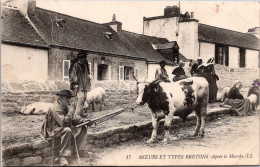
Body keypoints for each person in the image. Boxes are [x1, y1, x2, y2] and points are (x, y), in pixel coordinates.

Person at [40, 90, 88, 166]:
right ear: (61, 98)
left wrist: (84, 121)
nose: (69, 100)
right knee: (67, 130)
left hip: (60, 128)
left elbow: (72, 119)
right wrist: (71, 111)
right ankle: (63, 157)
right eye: (67, 98)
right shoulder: (55, 108)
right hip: (53, 130)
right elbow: (63, 123)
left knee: (83, 126)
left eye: (70, 98)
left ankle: (78, 150)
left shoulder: (64, 107)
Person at [69, 51, 91, 117]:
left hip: (84, 85)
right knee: (80, 99)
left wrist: (88, 82)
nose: (83, 60)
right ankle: (77, 114)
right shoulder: (76, 65)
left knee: (84, 98)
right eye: (82, 58)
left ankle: (81, 112)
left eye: (84, 58)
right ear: (79, 59)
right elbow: (73, 75)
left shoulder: (85, 66)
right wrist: (75, 83)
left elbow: (87, 75)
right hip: (79, 85)